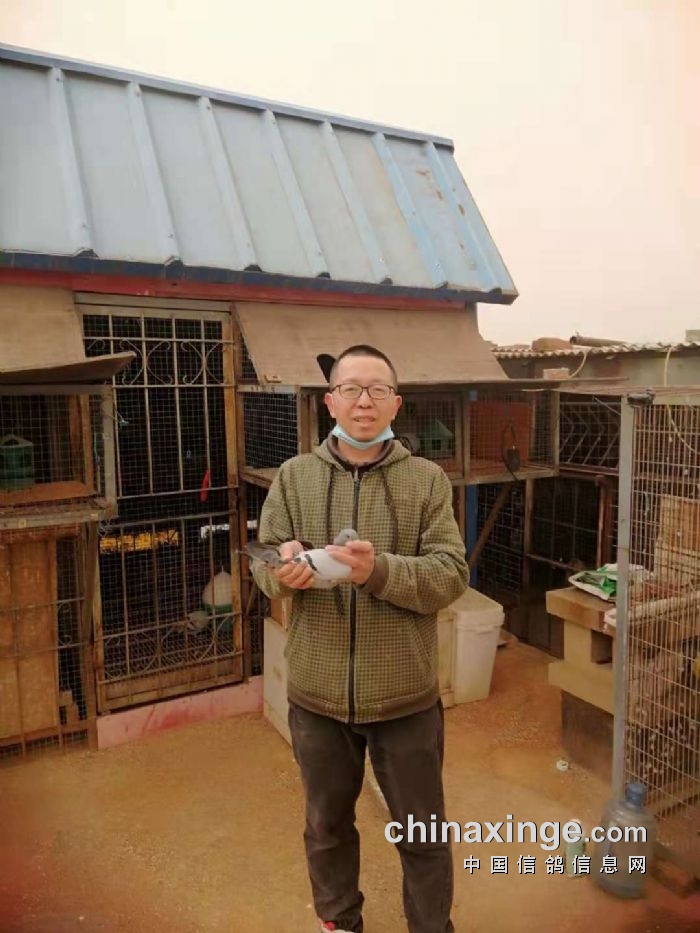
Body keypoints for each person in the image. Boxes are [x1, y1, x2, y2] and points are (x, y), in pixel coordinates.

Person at [251, 344, 469, 933]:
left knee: (422, 834)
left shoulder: (427, 481)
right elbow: (263, 561)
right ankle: (339, 923)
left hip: (405, 699)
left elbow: (451, 575)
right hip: (317, 699)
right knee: (326, 826)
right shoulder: (294, 477)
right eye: (351, 389)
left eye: (377, 390)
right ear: (330, 402)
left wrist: (377, 571)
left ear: (396, 403)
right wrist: (281, 569)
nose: (364, 401)